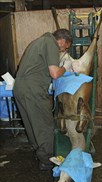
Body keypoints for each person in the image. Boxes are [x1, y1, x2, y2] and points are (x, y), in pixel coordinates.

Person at [13, 29, 73, 171]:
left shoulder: (37, 42)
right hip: (33, 90)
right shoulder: (51, 44)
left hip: (20, 88)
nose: (63, 50)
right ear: (63, 41)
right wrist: (66, 67)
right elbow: (55, 73)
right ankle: (47, 159)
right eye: (66, 47)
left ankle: (39, 152)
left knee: (32, 123)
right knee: (44, 125)